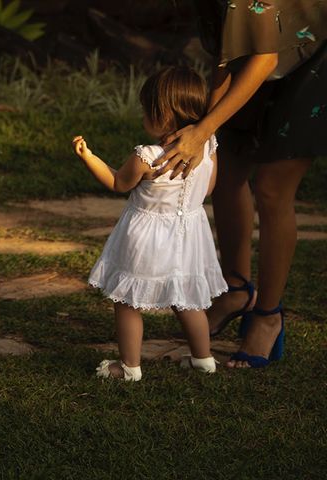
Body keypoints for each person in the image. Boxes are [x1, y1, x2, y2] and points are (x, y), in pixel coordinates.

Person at [155, 1, 327, 368]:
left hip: (317, 55)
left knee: (271, 186)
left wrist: (203, 130)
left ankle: (268, 315)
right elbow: (229, 55)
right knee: (227, 167)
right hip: (265, 52)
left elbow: (262, 59)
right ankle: (236, 289)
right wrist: (206, 131)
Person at [73, 66, 227, 381]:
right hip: (190, 236)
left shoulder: (147, 157)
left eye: (147, 109)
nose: (143, 113)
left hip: (147, 238)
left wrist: (88, 157)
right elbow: (209, 188)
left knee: (128, 301)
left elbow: (118, 182)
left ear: (166, 115)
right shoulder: (209, 147)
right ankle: (203, 359)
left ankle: (129, 367)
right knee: (187, 300)